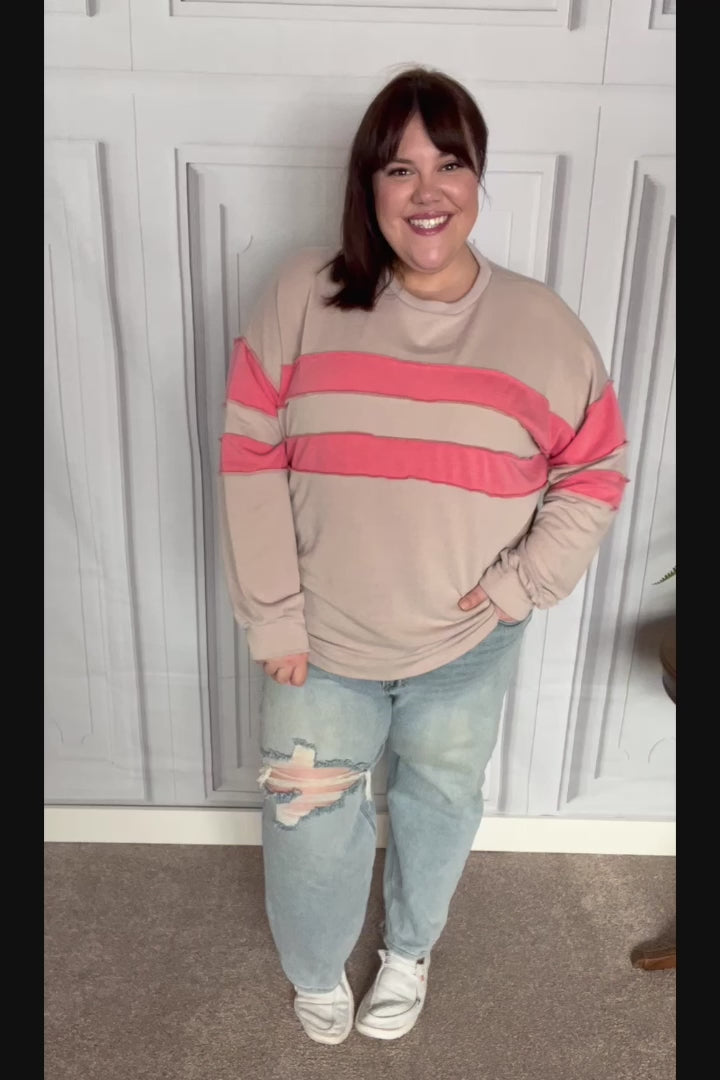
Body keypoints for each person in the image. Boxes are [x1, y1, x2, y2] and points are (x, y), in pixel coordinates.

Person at [220, 67, 628, 1045]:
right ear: (368, 185)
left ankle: (409, 950)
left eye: (450, 164)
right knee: (309, 818)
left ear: (478, 178)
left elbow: (597, 470)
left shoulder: (541, 327)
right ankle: (316, 967)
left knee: (440, 800)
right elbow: (248, 455)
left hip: (466, 645)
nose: (427, 191)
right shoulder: (303, 296)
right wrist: (274, 615)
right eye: (400, 169)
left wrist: (522, 586)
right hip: (319, 645)